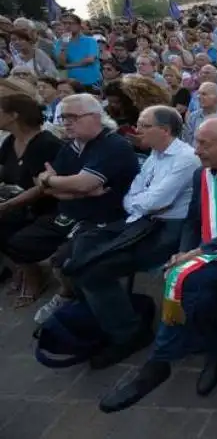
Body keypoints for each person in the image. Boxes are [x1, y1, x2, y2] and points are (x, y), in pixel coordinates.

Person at [99, 118, 217, 413]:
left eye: (205, 144)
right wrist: (183, 253)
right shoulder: (202, 174)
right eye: (196, 142)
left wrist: (194, 255)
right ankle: (215, 350)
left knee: (191, 280)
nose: (196, 150)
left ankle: (161, 360)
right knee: (190, 281)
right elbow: (193, 221)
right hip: (210, 247)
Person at [68, 106, 199, 369]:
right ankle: (112, 314)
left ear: (164, 130)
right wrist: (140, 203)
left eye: (144, 125)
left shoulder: (185, 158)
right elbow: (134, 195)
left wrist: (141, 203)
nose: (136, 130)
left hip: (167, 231)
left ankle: (128, 334)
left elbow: (156, 200)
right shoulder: (155, 154)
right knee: (78, 251)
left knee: (92, 272)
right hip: (141, 222)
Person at [5, 94, 140, 322]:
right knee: (18, 242)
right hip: (69, 212)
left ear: (95, 117)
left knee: (66, 262)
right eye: (63, 117)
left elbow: (81, 182)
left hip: (106, 219)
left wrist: (61, 183)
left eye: (72, 117)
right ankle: (65, 289)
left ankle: (69, 294)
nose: (66, 122)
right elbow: (44, 184)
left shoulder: (113, 145)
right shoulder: (71, 146)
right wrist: (71, 188)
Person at [0, 94, 63, 303]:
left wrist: (8, 205)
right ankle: (25, 268)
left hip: (50, 206)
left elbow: (42, 188)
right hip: (20, 202)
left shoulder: (44, 143)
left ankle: (33, 275)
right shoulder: (10, 141)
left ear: (13, 116)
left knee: (17, 238)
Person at [54, 14, 101, 89]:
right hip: (72, 84)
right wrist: (65, 45)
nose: (67, 26)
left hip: (91, 81)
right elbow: (61, 63)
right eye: (64, 23)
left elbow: (89, 60)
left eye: (70, 23)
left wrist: (68, 66)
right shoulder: (59, 43)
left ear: (79, 25)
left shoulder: (90, 40)